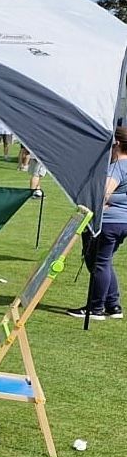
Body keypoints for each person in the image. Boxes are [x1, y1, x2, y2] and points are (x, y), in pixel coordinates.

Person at [67, 127, 127, 320]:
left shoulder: (117, 167)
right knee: (104, 261)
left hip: (108, 223)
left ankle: (96, 308)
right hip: (123, 222)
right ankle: (113, 305)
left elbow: (103, 193)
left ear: (116, 144)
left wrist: (103, 202)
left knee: (98, 263)